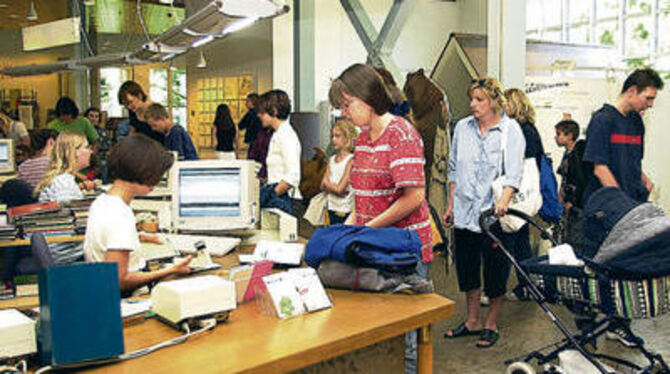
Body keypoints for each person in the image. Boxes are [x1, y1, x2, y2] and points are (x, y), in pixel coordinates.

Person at [329, 64, 432, 374]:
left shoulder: (401, 134)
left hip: (403, 250)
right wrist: (344, 232)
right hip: (374, 246)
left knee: (407, 343)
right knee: (380, 337)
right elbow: (363, 201)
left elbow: (414, 197)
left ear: (368, 98)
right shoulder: (363, 138)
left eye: (347, 104)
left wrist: (364, 231)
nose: (344, 113)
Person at [582, 68, 664, 347]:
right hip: (608, 211)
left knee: (626, 269)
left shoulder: (637, 123)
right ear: (632, 91)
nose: (650, 105)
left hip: (631, 206)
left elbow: (634, 161)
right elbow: (599, 167)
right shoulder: (602, 120)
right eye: (648, 98)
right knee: (603, 270)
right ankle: (595, 324)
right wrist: (621, 206)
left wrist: (646, 182)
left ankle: (619, 324)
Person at [443, 78, 525, 349]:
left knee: (495, 270)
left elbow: (514, 173)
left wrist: (503, 199)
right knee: (467, 268)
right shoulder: (462, 129)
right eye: (472, 99)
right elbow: (454, 169)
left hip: (493, 215)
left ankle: (490, 324)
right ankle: (472, 320)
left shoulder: (510, 130)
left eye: (479, 99)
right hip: (465, 212)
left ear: (494, 102)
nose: (473, 104)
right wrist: (451, 205)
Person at [84, 134, 192, 294]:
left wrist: (139, 236)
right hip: (127, 297)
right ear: (143, 171)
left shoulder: (102, 201)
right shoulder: (119, 214)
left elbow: (107, 241)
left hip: (100, 290)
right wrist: (170, 270)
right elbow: (120, 280)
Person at [503, 88, 544, 301]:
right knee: (521, 242)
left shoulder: (519, 131)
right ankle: (527, 286)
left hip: (515, 195)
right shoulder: (531, 129)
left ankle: (499, 290)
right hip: (525, 197)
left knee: (508, 241)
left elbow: (519, 165)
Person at [33, 132, 94, 264]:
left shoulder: (63, 179)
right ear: (75, 152)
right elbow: (76, 223)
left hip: (63, 250)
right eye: (87, 147)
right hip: (68, 255)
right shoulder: (64, 183)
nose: (91, 151)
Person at [257, 89, 301, 214]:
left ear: (274, 111)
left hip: (285, 199)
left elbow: (293, 176)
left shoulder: (286, 135)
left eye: (262, 112)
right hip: (279, 196)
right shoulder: (278, 134)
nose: (259, 115)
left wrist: (270, 196)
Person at [554, 119, 591, 251]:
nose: (556, 138)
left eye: (559, 134)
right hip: (566, 202)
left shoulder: (578, 153)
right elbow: (564, 178)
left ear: (569, 136)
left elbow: (581, 180)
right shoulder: (567, 154)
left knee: (574, 239)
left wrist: (572, 201)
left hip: (576, 205)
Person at [320, 120, 356, 225]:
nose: (333, 139)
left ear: (347, 138)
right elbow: (322, 185)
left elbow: (340, 189)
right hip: (330, 208)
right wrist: (334, 187)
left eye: (337, 136)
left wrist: (329, 186)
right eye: (332, 136)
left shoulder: (351, 160)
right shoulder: (331, 159)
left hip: (345, 212)